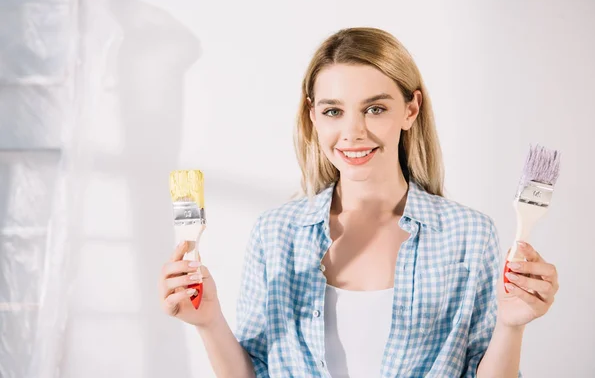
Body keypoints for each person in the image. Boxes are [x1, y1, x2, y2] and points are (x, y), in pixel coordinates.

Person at [159, 27, 559, 377]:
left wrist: (511, 326)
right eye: (334, 110)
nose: (352, 132)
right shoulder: (275, 232)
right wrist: (208, 323)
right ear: (313, 116)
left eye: (375, 108)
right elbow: (255, 373)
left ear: (410, 109)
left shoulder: (469, 234)